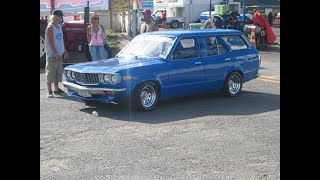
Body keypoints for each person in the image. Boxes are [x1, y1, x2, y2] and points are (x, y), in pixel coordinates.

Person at [45, 9, 69, 98]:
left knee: (58, 72)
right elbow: (51, 42)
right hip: (52, 54)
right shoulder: (50, 27)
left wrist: (64, 51)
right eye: (59, 16)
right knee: (50, 72)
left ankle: (56, 89)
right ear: (55, 16)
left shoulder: (59, 26)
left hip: (59, 53)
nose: (61, 18)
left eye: (61, 16)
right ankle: (49, 90)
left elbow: (60, 40)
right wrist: (56, 53)